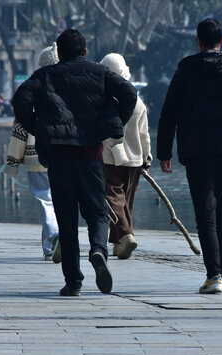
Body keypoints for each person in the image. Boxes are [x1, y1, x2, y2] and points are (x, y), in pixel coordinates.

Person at [12, 29, 137, 296]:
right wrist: (112, 123)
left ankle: (73, 282)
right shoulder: (99, 72)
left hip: (59, 157)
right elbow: (128, 92)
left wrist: (38, 127)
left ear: (60, 53)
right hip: (90, 155)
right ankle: (98, 250)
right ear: (85, 51)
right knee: (97, 213)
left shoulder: (46, 76)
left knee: (66, 220)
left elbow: (20, 98)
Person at [157, 18, 222, 294]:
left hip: (196, 149)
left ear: (198, 41)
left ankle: (213, 275)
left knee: (205, 212)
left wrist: (164, 152)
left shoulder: (186, 71)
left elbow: (168, 114)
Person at [4, 44, 60, 262]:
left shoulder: (31, 87)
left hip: (35, 155)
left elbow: (20, 127)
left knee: (44, 198)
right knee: (62, 198)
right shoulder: (69, 86)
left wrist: (13, 161)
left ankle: (54, 239)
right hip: (64, 152)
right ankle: (52, 245)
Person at [100, 53, 152, 260]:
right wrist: (147, 159)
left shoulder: (105, 101)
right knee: (126, 202)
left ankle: (126, 235)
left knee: (113, 198)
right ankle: (119, 242)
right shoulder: (138, 102)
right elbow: (144, 135)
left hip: (109, 158)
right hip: (135, 159)